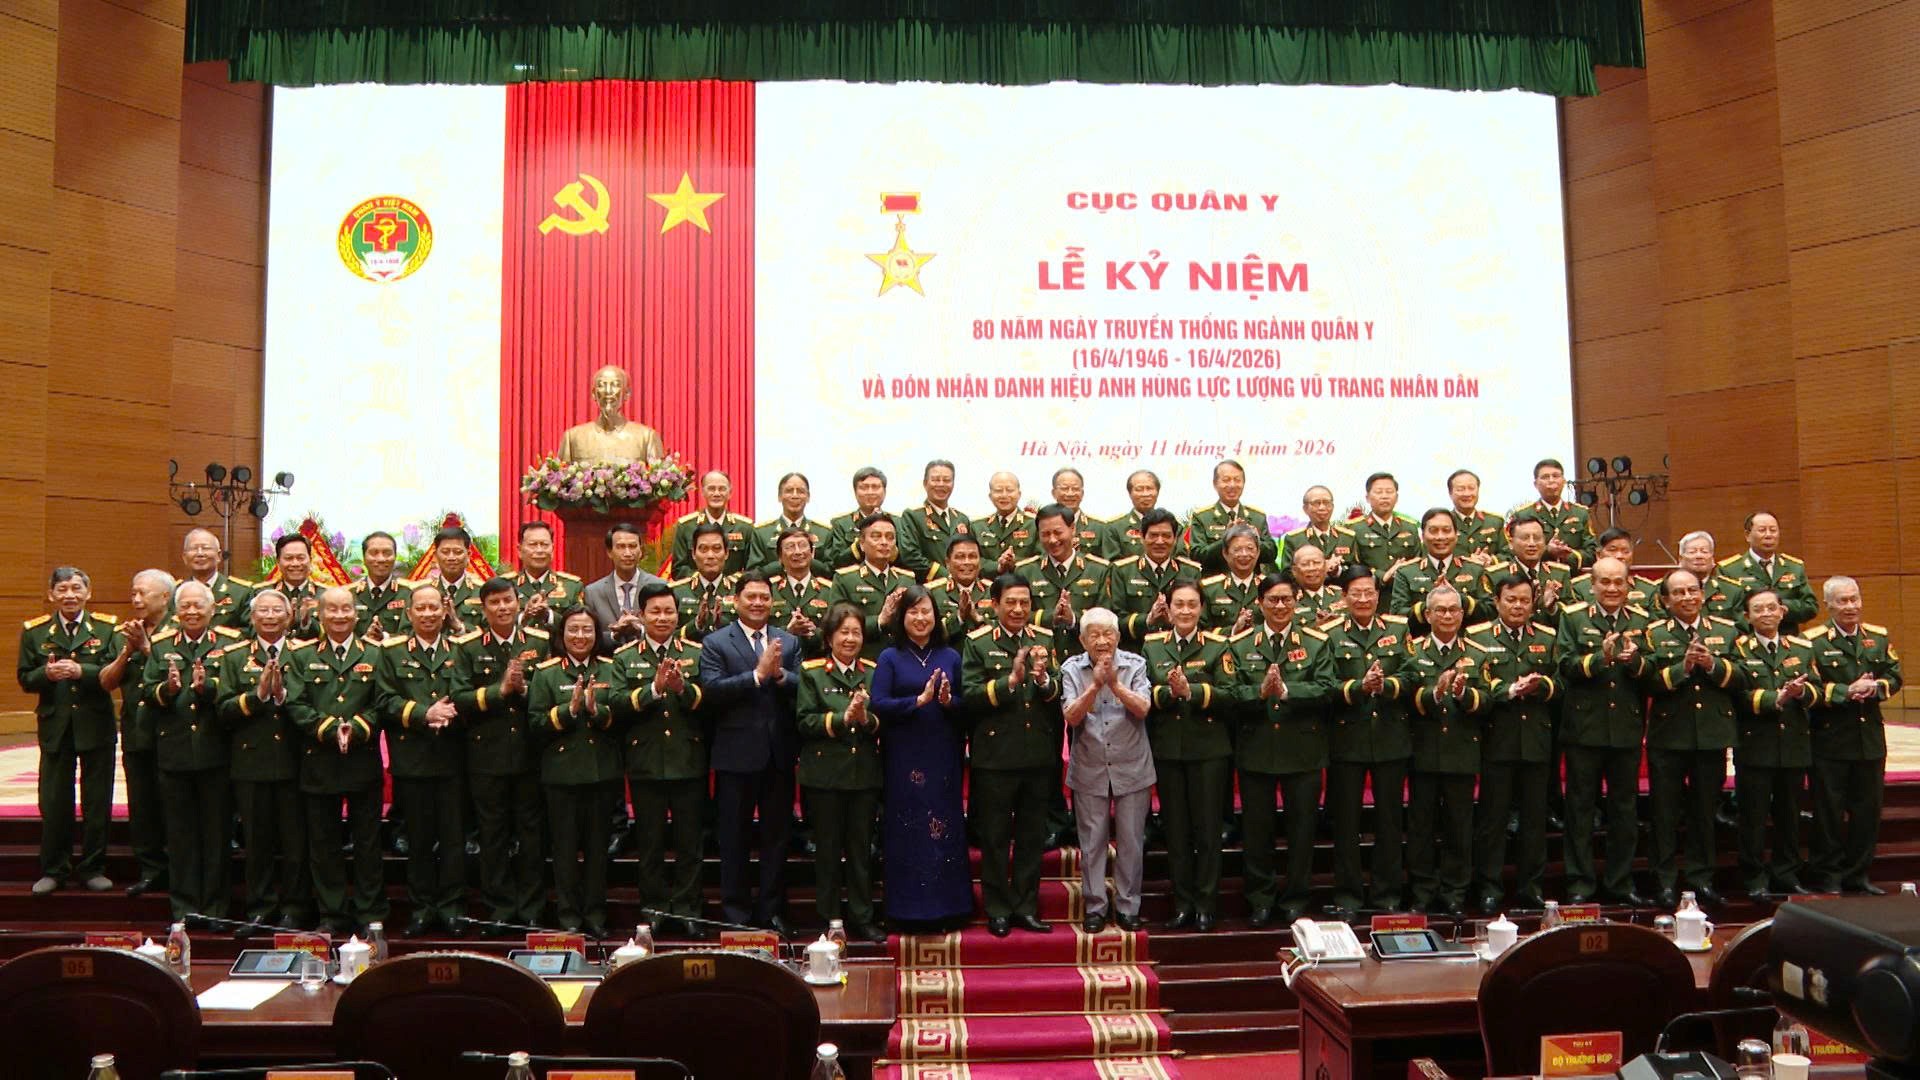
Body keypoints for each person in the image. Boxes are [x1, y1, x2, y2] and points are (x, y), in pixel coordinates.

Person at [699, 571, 803, 933]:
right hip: (735, 754)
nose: (758, 603)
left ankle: (771, 910)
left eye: (764, 597)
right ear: (736, 601)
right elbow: (712, 690)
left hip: (778, 755)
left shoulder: (789, 641)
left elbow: (805, 686)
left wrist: (781, 676)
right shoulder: (716, 642)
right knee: (734, 838)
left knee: (776, 839)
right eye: (751, 597)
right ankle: (737, 914)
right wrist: (756, 676)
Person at [1228, 573, 1334, 925]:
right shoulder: (1241, 644)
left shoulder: (1316, 642)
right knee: (1257, 833)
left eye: (1286, 599)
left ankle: (1296, 898)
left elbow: (1326, 687)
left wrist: (1287, 692)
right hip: (1257, 749)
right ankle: (1260, 898)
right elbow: (1230, 692)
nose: (1280, 606)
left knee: (1301, 832)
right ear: (1259, 603)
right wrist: (1258, 693)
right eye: (1272, 599)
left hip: (1302, 750)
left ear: (1297, 601)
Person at [608, 582, 710, 938]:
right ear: (641, 615)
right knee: (650, 844)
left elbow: (711, 702)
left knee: (689, 844)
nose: (663, 618)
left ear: (678, 615)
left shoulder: (696, 653)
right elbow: (616, 704)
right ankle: (652, 909)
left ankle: (688, 908)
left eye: (669, 611)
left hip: (688, 759)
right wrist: (653, 689)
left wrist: (684, 689)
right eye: (655, 611)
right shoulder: (625, 657)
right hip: (646, 761)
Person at [962, 574, 1060, 936]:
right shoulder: (978, 642)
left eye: (1025, 602)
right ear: (994, 604)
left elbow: (1058, 691)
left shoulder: (1044, 639)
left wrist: (1045, 681)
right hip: (996, 756)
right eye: (1011, 602)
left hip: (1037, 754)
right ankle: (998, 908)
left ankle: (1026, 906)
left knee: (1032, 838)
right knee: (995, 838)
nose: (1019, 609)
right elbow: (970, 695)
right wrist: (1010, 683)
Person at [452, 577, 550, 932]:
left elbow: (551, 690)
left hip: (529, 752)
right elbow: (459, 697)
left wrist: (523, 691)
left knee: (531, 833)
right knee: (492, 834)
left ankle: (532, 906)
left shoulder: (538, 642)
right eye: (494, 602)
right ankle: (500, 907)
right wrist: (500, 690)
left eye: (508, 600)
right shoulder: (467, 647)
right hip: (486, 754)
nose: (503, 607)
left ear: (518, 602)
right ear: (484, 608)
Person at [870, 585, 971, 929]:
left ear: (936, 616)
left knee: (943, 825)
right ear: (902, 617)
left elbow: (965, 705)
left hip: (942, 751)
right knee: (909, 827)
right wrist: (917, 701)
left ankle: (950, 908)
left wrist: (947, 702)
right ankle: (908, 911)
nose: (920, 618)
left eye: (926, 611)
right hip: (903, 754)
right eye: (913, 612)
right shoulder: (890, 657)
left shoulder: (951, 656)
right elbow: (878, 703)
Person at [290, 586, 388, 936]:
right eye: (331, 609)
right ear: (320, 615)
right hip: (320, 761)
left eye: (346, 609)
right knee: (323, 843)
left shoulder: (376, 653)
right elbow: (296, 704)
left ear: (356, 614)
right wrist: (331, 729)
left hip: (362, 759)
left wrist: (356, 729)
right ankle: (332, 912)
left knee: (368, 843)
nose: (340, 615)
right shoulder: (302, 656)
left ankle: (370, 911)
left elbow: (382, 702)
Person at [17, 567, 122, 896]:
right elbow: (24, 678)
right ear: (51, 595)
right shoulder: (35, 632)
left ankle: (93, 868)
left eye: (77, 588)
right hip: (56, 727)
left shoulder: (107, 628)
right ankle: (54, 869)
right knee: (54, 801)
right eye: (62, 589)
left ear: (88, 593)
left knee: (97, 801)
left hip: (96, 725)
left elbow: (115, 672)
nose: (70, 595)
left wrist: (82, 671)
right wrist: (45, 675)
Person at [1641, 569, 1742, 908]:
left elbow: (1743, 677)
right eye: (1678, 592)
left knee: (1704, 811)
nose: (1687, 597)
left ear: (1703, 593)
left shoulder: (1726, 630)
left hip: (1711, 735)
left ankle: (1702, 878)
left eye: (1692, 590)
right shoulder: (1654, 633)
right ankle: (1664, 880)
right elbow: (1646, 681)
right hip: (1669, 735)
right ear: (1665, 600)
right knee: (1664, 813)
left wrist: (1713, 665)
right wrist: (1681, 669)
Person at [145, 580, 243, 919]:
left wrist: (207, 689)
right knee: (180, 836)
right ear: (175, 611)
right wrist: (168, 690)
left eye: (198, 605)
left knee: (217, 835)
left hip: (216, 752)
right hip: (174, 754)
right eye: (184, 605)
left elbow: (235, 690)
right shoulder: (161, 645)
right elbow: (147, 692)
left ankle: (215, 909)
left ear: (212, 609)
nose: (191, 611)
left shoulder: (230, 644)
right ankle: (184, 910)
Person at [1556, 557, 1652, 905]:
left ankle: (1620, 882)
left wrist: (1635, 662)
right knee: (1580, 809)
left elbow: (1654, 671)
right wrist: (1602, 658)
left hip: (1625, 728)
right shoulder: (1573, 617)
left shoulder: (1642, 620)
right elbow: (1564, 665)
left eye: (1618, 582)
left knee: (1624, 810)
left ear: (1628, 585)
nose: (1612, 588)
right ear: (1592, 585)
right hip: (1585, 729)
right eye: (1605, 582)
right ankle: (1580, 882)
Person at [214, 589, 310, 932]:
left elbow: (312, 700)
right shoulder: (233, 656)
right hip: (251, 762)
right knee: (257, 842)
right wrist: (256, 697)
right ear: (252, 618)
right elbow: (223, 710)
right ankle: (260, 907)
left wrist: (282, 695)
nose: (270, 617)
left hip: (295, 760)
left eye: (276, 611)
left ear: (288, 617)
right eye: (263, 611)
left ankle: (295, 908)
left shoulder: (304, 653)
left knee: (296, 842)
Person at [375, 583, 467, 936]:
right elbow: (384, 700)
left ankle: (452, 907)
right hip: (412, 759)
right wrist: (423, 713)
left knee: (454, 838)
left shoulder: (460, 648)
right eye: (421, 608)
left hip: (453, 758)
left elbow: (469, 691)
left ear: (444, 611)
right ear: (409, 613)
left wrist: (450, 711)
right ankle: (422, 907)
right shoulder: (392, 652)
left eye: (434, 608)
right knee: (418, 839)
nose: (428, 614)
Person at [1466, 575, 1561, 912]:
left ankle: (1530, 887)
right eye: (1511, 600)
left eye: (1524, 600)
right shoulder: (1477, 637)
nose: (1518, 606)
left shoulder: (1547, 636)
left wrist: (1542, 686)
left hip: (1535, 738)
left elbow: (1562, 683)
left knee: (1534, 820)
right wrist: (1507, 691)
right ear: (1497, 601)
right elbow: (1475, 684)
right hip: (1497, 738)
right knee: (1493, 819)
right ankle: (1489, 887)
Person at [1142, 580, 1233, 931]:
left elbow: (1230, 693)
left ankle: (1206, 904)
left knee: (1207, 831)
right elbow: (1145, 692)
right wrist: (1170, 693)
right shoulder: (1153, 646)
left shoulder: (1218, 645)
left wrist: (1191, 692)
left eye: (1192, 604)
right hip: (1168, 749)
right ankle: (1183, 904)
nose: (1185, 610)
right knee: (1176, 832)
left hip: (1208, 749)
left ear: (1201, 608)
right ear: (1168, 609)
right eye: (1178, 604)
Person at [1322, 567, 1414, 915]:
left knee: (1389, 821)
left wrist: (1385, 686)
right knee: (1346, 822)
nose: (1363, 599)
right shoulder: (1330, 633)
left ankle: (1387, 894)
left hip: (1390, 736)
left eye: (1369, 593)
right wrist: (1357, 688)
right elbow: (1325, 685)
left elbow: (1411, 674)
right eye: (1356, 593)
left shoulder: (1398, 629)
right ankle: (1348, 896)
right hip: (1348, 738)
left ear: (1378, 595)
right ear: (1344, 597)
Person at [1805, 576, 1903, 894]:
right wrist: (1846, 691)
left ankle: (1858, 874)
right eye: (1843, 601)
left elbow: (1894, 675)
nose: (1851, 606)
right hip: (1830, 739)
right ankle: (1829, 875)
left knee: (1867, 812)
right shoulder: (1813, 642)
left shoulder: (1878, 637)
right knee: (1829, 813)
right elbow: (1810, 688)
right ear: (1828, 605)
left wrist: (1876, 687)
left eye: (1854, 599)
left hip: (1869, 739)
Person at [528, 606, 622, 937]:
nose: (580, 636)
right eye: (573, 630)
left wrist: (597, 711)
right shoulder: (547, 673)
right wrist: (566, 712)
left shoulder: (610, 668)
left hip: (601, 773)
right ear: (562, 634)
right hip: (561, 775)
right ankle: (568, 915)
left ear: (597, 635)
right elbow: (535, 723)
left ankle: (596, 914)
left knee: (598, 851)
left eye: (587, 630)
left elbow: (622, 718)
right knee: (564, 851)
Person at [795, 604, 885, 942]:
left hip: (863, 775)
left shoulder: (873, 671)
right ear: (829, 637)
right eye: (843, 632)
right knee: (829, 851)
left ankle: (862, 916)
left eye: (856, 632)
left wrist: (865, 719)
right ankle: (831, 918)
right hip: (825, 776)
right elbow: (804, 721)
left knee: (861, 850)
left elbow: (883, 720)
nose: (850, 639)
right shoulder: (812, 672)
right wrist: (841, 719)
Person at [1061, 607, 1153, 934]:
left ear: (1118, 636)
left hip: (1132, 766)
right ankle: (1095, 907)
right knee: (1092, 843)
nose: (1102, 641)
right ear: (1083, 640)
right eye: (1094, 635)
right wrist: (1094, 686)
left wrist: (1114, 684)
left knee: (1131, 841)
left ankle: (1128, 906)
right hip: (1090, 766)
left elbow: (1143, 708)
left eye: (1108, 634)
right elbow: (1072, 715)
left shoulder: (1135, 664)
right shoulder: (1071, 668)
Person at [1730, 589, 1817, 900]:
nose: (1766, 613)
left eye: (1771, 608)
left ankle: (1786, 873)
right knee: (1752, 817)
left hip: (1793, 744)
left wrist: (1801, 693)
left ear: (1782, 612)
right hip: (1755, 745)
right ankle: (1754, 876)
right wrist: (1774, 699)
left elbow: (1818, 690)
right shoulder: (1738, 649)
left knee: (1789, 815)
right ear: (1747, 617)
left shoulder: (1802, 648)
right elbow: (1736, 694)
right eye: (1758, 609)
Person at [1404, 585, 1486, 915]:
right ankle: (1422, 891)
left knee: (1459, 828)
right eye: (1440, 610)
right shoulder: (1412, 650)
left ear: (1462, 615)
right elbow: (1404, 697)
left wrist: (1465, 695)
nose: (1448, 615)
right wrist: (1435, 695)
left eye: (1453, 609)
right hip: (1422, 751)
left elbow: (1488, 700)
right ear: (1427, 615)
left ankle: (1455, 892)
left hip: (1461, 752)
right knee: (1420, 827)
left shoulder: (1477, 651)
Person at [112, 569, 176, 898]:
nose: (136, 599)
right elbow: (107, 681)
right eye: (133, 593)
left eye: (143, 593)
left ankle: (178, 871)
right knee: (142, 804)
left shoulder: (179, 632)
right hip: (136, 731)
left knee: (172, 804)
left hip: (171, 733)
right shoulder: (123, 633)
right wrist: (127, 650)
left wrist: (147, 648)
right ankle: (151, 870)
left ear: (165, 597)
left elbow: (176, 673)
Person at [1018, 503, 1115, 656]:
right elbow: (1016, 616)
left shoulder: (1098, 570)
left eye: (1058, 533)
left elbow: (1107, 617)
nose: (1052, 540)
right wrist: (1051, 617)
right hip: (1041, 659)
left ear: (1072, 529)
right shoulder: (1026, 571)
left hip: (1085, 658)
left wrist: (1074, 619)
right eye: (1045, 534)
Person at [826, 512, 919, 660]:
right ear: (862, 544)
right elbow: (836, 626)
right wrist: (879, 620)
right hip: (863, 661)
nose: (884, 542)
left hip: (902, 659)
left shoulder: (907, 579)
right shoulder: (845, 579)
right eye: (876, 537)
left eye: (890, 537)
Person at [1388, 508, 1491, 634]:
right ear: (1423, 536)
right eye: (1433, 531)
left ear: (1456, 535)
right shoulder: (1406, 572)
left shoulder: (1475, 569)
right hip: (1422, 643)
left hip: (1466, 643)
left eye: (1446, 530)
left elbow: (1491, 612)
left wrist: (1459, 599)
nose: (1440, 537)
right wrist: (1431, 603)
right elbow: (1397, 618)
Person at [1718, 512, 1817, 634]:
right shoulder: (1729, 569)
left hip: (1786, 639)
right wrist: (1757, 615)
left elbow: (1810, 607)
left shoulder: (1794, 567)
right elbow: (1725, 612)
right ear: (1747, 535)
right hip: (1747, 639)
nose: (1768, 535)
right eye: (1762, 530)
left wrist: (1780, 607)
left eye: (1773, 530)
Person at [1112, 508, 1201, 644]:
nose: (1160, 541)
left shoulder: (1190, 572)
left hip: (1178, 648)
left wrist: (1177, 620)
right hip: (1137, 649)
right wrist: (1147, 619)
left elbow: (1202, 619)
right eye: (1153, 535)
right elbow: (1115, 619)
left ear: (1175, 539)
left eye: (1166, 536)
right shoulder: (1122, 571)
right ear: (1142, 537)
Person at [581, 521, 668, 649]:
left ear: (640, 551)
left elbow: (669, 631)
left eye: (632, 546)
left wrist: (640, 630)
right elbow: (589, 636)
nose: (627, 553)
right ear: (609, 552)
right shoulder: (593, 592)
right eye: (621, 547)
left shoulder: (659, 586)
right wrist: (615, 635)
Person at [556, 363, 665, 464]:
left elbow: (658, 475)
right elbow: (561, 474)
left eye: (615, 385)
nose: (608, 391)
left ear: (626, 393)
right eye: (602, 385)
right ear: (594, 394)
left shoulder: (646, 437)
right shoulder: (573, 437)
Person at [1187, 459, 1276, 572]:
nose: (1232, 485)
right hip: (1215, 581)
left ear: (1243, 483)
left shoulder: (1257, 517)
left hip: (1251, 581)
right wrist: (1226, 539)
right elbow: (1197, 555)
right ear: (1215, 484)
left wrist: (1254, 539)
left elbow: (1271, 554)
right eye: (1226, 480)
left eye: (1237, 480)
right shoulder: (1202, 517)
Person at [670, 470, 756, 576]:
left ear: (730, 493)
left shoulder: (745, 528)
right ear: (702, 492)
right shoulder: (685, 526)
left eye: (722, 489)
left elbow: (752, 570)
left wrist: (725, 583)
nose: (716, 494)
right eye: (711, 489)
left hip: (734, 586)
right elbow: (678, 569)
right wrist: (705, 582)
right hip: (696, 586)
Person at [897, 459, 970, 579]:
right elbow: (910, 555)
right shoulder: (913, 516)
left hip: (961, 585)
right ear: (925, 483)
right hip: (929, 586)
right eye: (936, 480)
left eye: (946, 480)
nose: (941, 484)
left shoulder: (961, 519)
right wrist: (945, 574)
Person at [751, 471, 834, 576]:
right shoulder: (761, 533)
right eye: (789, 491)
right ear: (779, 496)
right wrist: (784, 561)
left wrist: (808, 560)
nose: (795, 495)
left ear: (808, 497)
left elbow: (831, 571)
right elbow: (754, 573)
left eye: (800, 491)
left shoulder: (824, 532)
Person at [1497, 512, 1573, 625]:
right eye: (1525, 538)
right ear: (1511, 543)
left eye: (1537, 538)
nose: (1532, 544)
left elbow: (1572, 619)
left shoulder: (1560, 573)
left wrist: (1552, 608)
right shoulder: (1498, 575)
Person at [507, 521, 584, 631]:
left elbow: (580, 626)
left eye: (544, 545)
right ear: (519, 550)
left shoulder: (572, 586)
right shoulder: (505, 585)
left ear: (552, 549)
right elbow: (489, 623)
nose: (539, 550)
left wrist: (549, 615)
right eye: (533, 545)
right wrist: (523, 617)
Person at [767, 526, 835, 648]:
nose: (798, 552)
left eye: (802, 545)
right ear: (780, 557)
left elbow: (837, 632)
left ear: (812, 553)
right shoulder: (770, 590)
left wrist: (814, 632)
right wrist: (788, 630)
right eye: (790, 547)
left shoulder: (830, 590)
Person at [1524, 459, 1597, 572]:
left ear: (1563, 481)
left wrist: (1568, 555)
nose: (1551, 480)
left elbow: (1592, 551)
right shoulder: (1524, 515)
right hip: (1537, 577)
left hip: (1573, 576)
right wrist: (1547, 551)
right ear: (1536, 484)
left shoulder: (1580, 513)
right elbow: (1515, 553)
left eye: (1556, 476)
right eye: (1545, 477)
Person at [671, 523, 739, 642]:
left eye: (716, 549)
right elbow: (666, 638)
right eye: (703, 549)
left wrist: (723, 624)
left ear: (726, 553)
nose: (710, 555)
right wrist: (696, 625)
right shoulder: (675, 592)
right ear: (693, 554)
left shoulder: (740, 590)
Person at [181, 527, 255, 630]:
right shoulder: (175, 592)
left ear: (219, 556)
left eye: (206, 548)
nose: (200, 553)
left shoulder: (241, 592)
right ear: (184, 557)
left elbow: (250, 630)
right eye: (194, 549)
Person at [1349, 472, 1421, 579]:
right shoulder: (1354, 529)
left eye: (1389, 492)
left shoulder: (1410, 527)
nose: (1384, 496)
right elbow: (1352, 565)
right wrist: (1384, 576)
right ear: (1367, 498)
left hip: (1405, 586)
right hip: (1371, 586)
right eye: (1379, 492)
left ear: (1397, 497)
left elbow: (1418, 559)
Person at [1567, 527, 1657, 610]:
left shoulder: (1649, 589)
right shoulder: (1578, 587)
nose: (1619, 556)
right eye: (1613, 550)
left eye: (1625, 551)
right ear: (1598, 555)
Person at [927, 533, 994, 642]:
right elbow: (928, 635)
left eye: (972, 556)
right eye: (960, 557)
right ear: (947, 563)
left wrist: (979, 619)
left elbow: (1004, 631)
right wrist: (959, 616)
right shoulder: (932, 593)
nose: (967, 562)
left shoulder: (993, 591)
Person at [1198, 524, 1264, 634]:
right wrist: (1233, 630)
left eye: (1250, 549)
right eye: (1237, 549)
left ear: (1258, 552)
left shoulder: (1269, 587)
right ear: (1225, 553)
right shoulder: (1209, 589)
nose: (1244, 554)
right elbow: (1201, 630)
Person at [1278, 485, 1357, 575]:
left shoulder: (1347, 537)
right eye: (1316, 503)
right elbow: (1287, 574)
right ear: (1305, 509)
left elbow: (1356, 571)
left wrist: (1337, 570)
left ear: (1332, 506)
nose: (1322, 508)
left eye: (1326, 503)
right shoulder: (1294, 539)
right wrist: (1322, 568)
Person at [351, 531, 414, 639]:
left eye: (387, 553)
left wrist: (385, 637)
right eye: (374, 553)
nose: (381, 559)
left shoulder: (409, 594)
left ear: (395, 557)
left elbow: (413, 632)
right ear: (364, 558)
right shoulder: (349, 594)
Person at [826, 466, 892, 569]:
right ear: (855, 492)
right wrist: (862, 542)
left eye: (875, 487)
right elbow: (836, 561)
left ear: (884, 491)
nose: (870, 492)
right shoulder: (840, 523)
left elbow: (905, 560)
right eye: (864, 488)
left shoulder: (897, 522)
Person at [973, 471, 1039, 573]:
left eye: (1010, 490)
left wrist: (1015, 563)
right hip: (989, 581)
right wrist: (998, 566)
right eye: (998, 491)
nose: (1004, 495)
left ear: (1019, 494)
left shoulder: (1035, 524)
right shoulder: (977, 526)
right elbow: (972, 559)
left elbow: (1042, 558)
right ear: (990, 496)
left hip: (1023, 581)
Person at [425, 526, 487, 631]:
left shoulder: (482, 591)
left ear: (468, 555)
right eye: (445, 552)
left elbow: (489, 630)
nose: (451, 558)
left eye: (458, 552)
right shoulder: (423, 591)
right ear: (435, 556)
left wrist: (461, 627)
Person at [1101, 468, 1167, 561]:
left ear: (1157, 492)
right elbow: (1112, 564)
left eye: (1149, 488)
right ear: (1130, 493)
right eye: (1139, 489)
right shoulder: (1114, 528)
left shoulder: (1172, 526)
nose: (1145, 494)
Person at [1447, 469, 1507, 563]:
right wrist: (1464, 561)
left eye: (1471, 488)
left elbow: (1508, 555)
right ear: (1450, 493)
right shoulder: (1442, 523)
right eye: (1460, 489)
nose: (1467, 494)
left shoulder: (1495, 522)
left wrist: (1491, 560)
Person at [272, 534, 324, 640]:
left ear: (310, 560)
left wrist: (307, 621)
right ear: (278, 561)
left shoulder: (325, 595)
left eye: (300, 558)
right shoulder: (264, 593)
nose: (295, 563)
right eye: (289, 558)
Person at [1049, 467, 1107, 554]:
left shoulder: (1100, 528)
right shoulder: (1041, 527)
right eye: (1065, 488)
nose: (1070, 494)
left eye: (1075, 489)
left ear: (1082, 494)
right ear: (1054, 493)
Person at [1287, 543, 1344, 625]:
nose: (1312, 568)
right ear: (1294, 571)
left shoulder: (1341, 595)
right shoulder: (1288, 602)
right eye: (1305, 564)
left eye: (1317, 563)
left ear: (1325, 566)